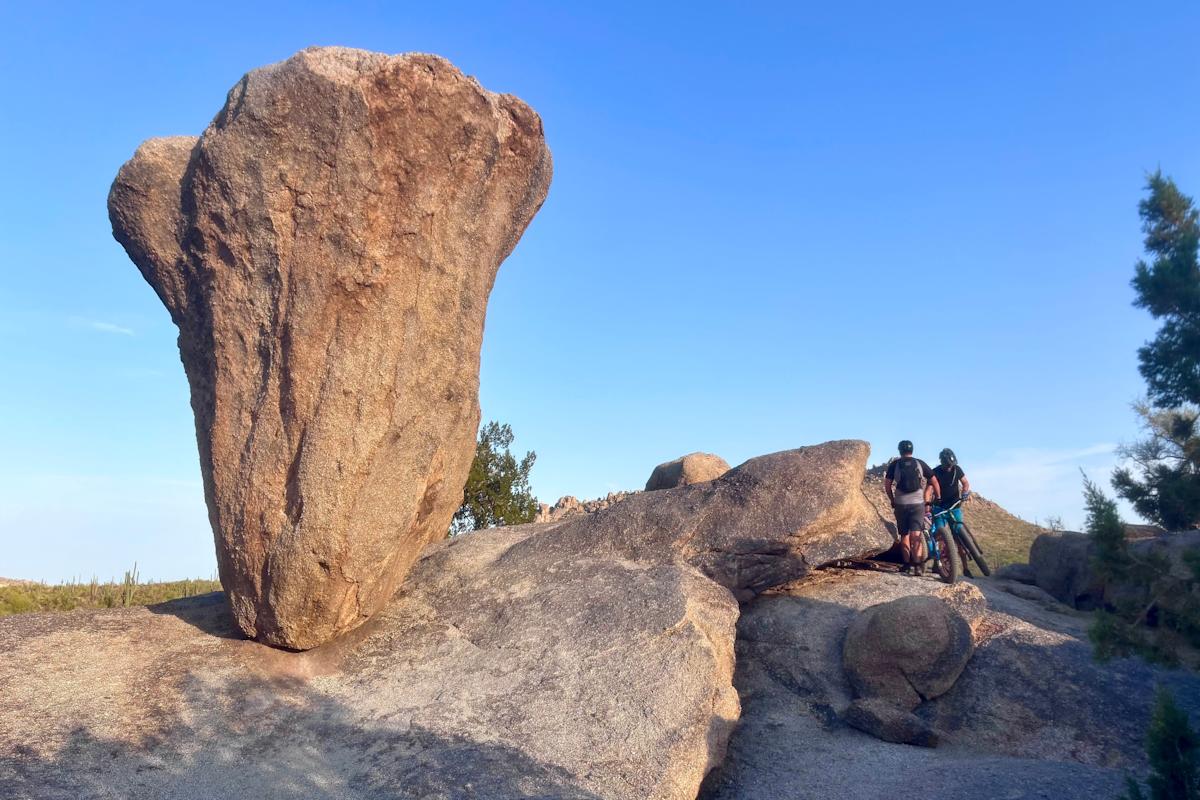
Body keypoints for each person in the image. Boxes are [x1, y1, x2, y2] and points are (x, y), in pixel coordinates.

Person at [884, 440, 939, 575]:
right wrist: (938, 496)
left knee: (904, 535)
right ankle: (918, 565)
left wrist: (892, 500)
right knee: (916, 534)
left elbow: (887, 485)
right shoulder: (920, 463)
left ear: (900, 451)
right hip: (917, 504)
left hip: (900, 504)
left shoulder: (894, 465)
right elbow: (934, 480)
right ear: (912, 450)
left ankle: (907, 565)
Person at [931, 448, 974, 575]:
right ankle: (937, 564)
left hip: (955, 506)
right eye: (947, 465)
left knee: (959, 538)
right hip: (939, 508)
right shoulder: (936, 472)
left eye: (951, 465)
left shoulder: (957, 469)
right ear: (942, 463)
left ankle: (966, 568)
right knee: (939, 536)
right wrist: (927, 502)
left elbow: (965, 483)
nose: (950, 467)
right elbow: (929, 488)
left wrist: (965, 492)